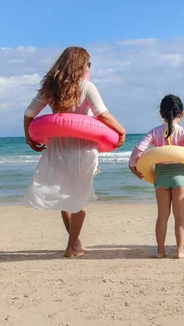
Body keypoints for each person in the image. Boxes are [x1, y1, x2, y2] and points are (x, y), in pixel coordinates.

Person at [23, 47, 126, 257]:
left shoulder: (50, 89)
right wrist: (121, 131)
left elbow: (29, 114)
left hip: (58, 148)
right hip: (83, 148)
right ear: (81, 65)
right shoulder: (86, 86)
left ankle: (75, 242)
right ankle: (71, 247)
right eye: (88, 64)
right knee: (81, 197)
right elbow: (102, 114)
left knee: (66, 194)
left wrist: (29, 138)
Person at [128, 94, 184, 259]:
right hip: (180, 176)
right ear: (181, 114)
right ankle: (180, 251)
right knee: (180, 216)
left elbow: (138, 149)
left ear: (161, 114)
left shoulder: (155, 131)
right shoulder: (182, 132)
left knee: (162, 216)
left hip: (160, 177)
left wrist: (132, 166)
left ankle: (160, 251)